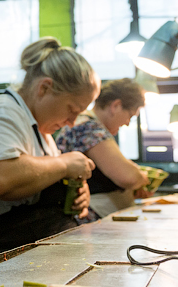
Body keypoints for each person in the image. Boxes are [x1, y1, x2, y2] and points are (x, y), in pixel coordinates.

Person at [0, 38, 100, 267]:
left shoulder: (42, 133)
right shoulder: (1, 112)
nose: (71, 122)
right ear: (45, 88)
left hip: (27, 254)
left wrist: (76, 192)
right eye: (72, 110)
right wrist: (65, 165)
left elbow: (38, 176)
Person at [56, 77, 149, 218]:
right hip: (83, 219)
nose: (127, 123)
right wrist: (143, 178)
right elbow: (128, 177)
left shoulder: (89, 125)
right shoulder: (89, 127)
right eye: (129, 116)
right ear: (115, 106)